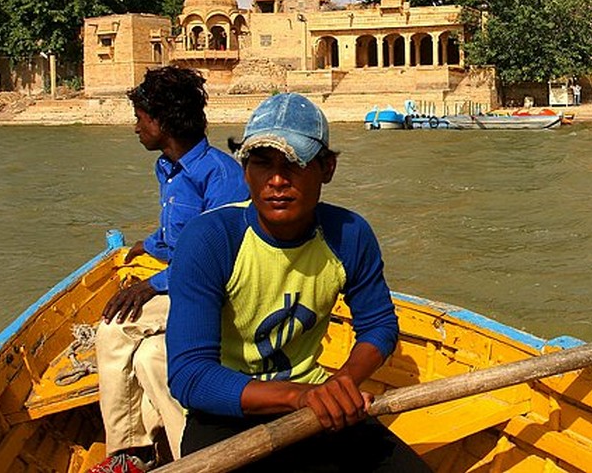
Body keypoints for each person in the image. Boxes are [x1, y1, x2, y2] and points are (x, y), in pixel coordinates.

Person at [166, 93, 430, 472]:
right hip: (226, 410)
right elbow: (191, 375)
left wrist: (340, 386)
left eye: (294, 163)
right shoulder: (210, 239)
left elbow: (379, 326)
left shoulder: (350, 234)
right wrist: (300, 396)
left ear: (327, 168)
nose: (276, 180)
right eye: (262, 163)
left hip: (317, 402)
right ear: (245, 171)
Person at [90, 66, 249, 473]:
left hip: (214, 292)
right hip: (184, 280)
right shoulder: (168, 168)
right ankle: (191, 459)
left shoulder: (222, 176)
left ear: (161, 122)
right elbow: (179, 237)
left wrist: (153, 284)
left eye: (141, 119)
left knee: (113, 327)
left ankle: (130, 453)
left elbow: (220, 259)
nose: (136, 128)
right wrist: (150, 245)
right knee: (149, 357)